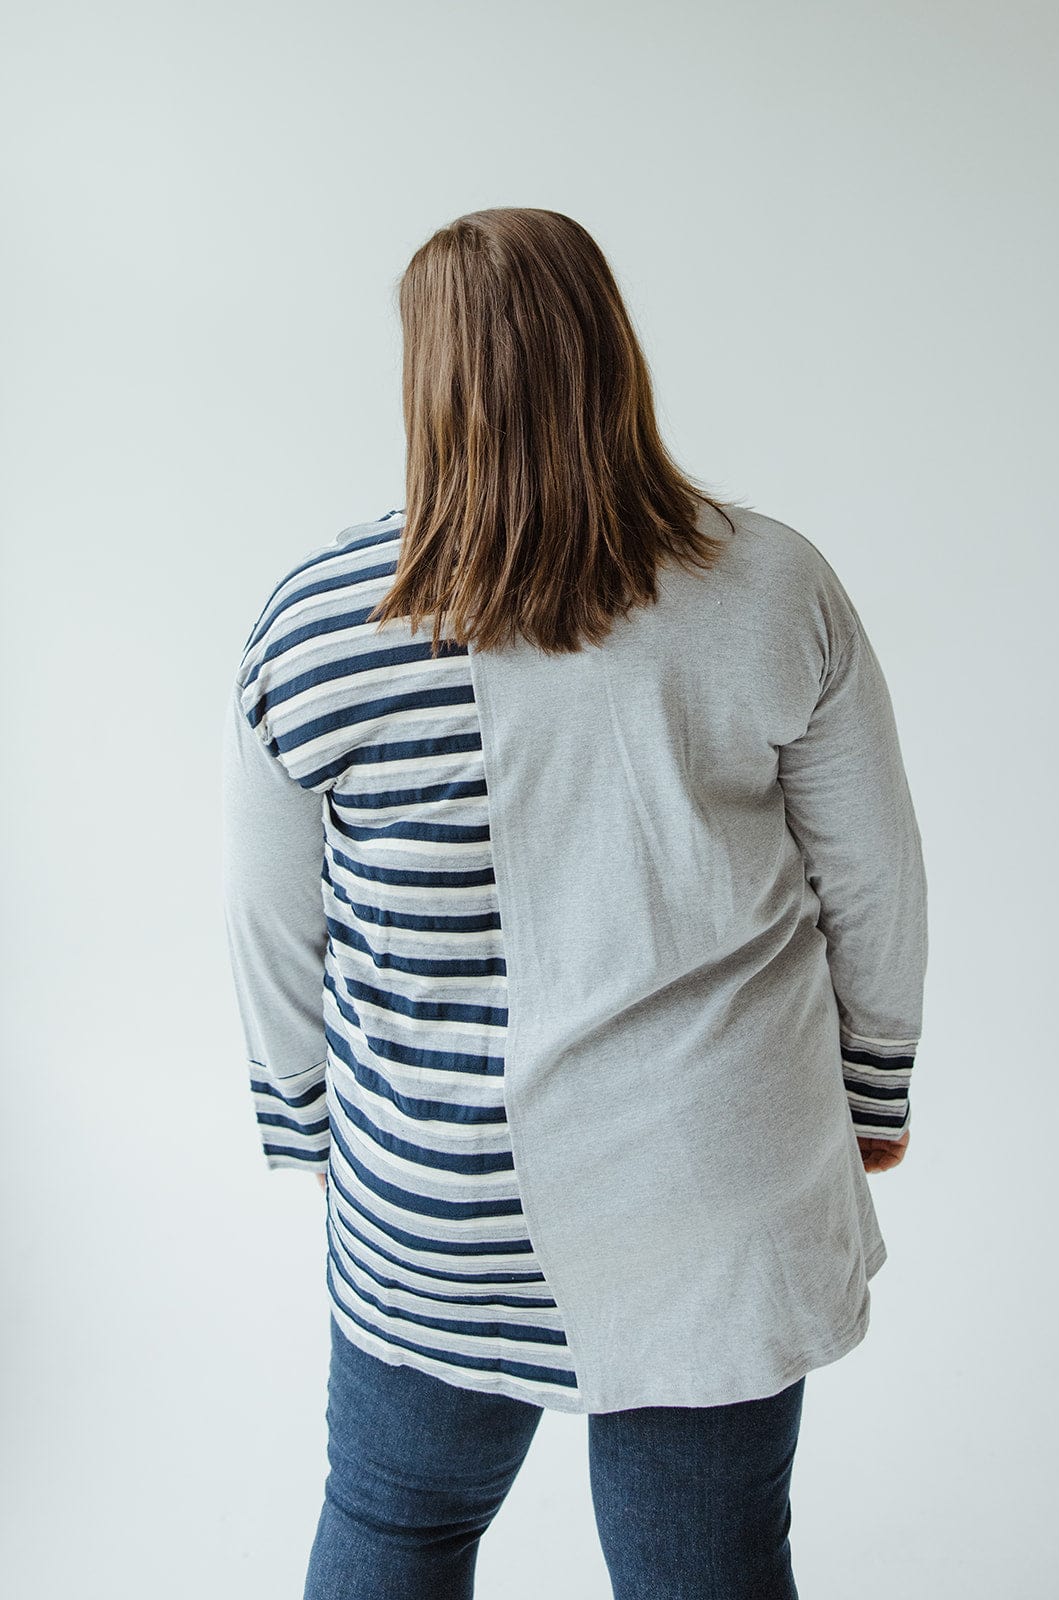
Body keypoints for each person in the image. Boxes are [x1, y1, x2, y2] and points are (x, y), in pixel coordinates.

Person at [220, 207, 928, 1600]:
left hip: (442, 1193)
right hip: (715, 1179)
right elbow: (874, 876)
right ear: (612, 351)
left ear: (426, 378)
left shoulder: (316, 622)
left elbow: (269, 924)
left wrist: (305, 1120)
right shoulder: (774, 584)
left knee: (397, 1524)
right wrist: (875, 1090)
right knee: (708, 1566)